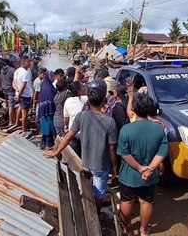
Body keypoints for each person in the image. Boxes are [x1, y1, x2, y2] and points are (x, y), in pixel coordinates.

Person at [44, 79, 118, 212]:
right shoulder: (110, 122)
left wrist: (55, 152)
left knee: (86, 188)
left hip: (84, 162)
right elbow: (111, 148)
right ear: (103, 101)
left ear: (88, 100)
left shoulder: (81, 116)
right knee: (99, 194)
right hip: (101, 165)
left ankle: (88, 211)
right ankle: (96, 215)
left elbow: (67, 137)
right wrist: (114, 167)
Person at [117, 93, 168, 236]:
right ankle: (144, 230)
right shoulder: (159, 129)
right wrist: (149, 169)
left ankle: (126, 228)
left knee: (127, 201)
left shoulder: (126, 129)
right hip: (149, 176)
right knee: (146, 202)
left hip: (128, 175)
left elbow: (124, 153)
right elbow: (162, 152)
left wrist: (140, 168)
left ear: (133, 109)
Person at [13, 55, 34, 135]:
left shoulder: (17, 71)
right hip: (25, 95)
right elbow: (23, 85)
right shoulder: (25, 72)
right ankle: (24, 129)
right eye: (28, 62)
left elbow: (13, 83)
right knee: (24, 112)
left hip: (20, 94)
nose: (30, 63)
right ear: (23, 63)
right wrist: (19, 94)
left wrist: (17, 91)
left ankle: (17, 122)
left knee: (20, 108)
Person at [38, 70, 57, 149]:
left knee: (45, 126)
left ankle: (44, 142)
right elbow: (52, 99)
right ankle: (49, 145)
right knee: (49, 127)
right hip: (49, 110)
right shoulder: (49, 88)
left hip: (43, 109)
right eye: (53, 77)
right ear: (49, 77)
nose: (54, 78)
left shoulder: (44, 85)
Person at [1, 53, 20, 127]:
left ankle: (9, 117)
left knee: (8, 105)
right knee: (11, 106)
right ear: (13, 62)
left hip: (4, 89)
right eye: (16, 62)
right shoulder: (13, 70)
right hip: (11, 90)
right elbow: (16, 81)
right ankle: (11, 121)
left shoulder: (3, 69)